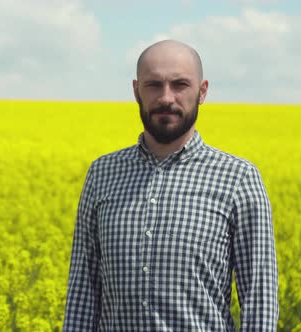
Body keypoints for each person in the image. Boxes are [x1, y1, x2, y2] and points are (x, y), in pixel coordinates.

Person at [62, 40, 278, 331]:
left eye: (180, 85)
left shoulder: (238, 178)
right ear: (136, 90)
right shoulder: (102, 173)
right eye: (153, 85)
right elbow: (82, 291)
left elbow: (259, 300)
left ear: (202, 92)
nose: (166, 98)